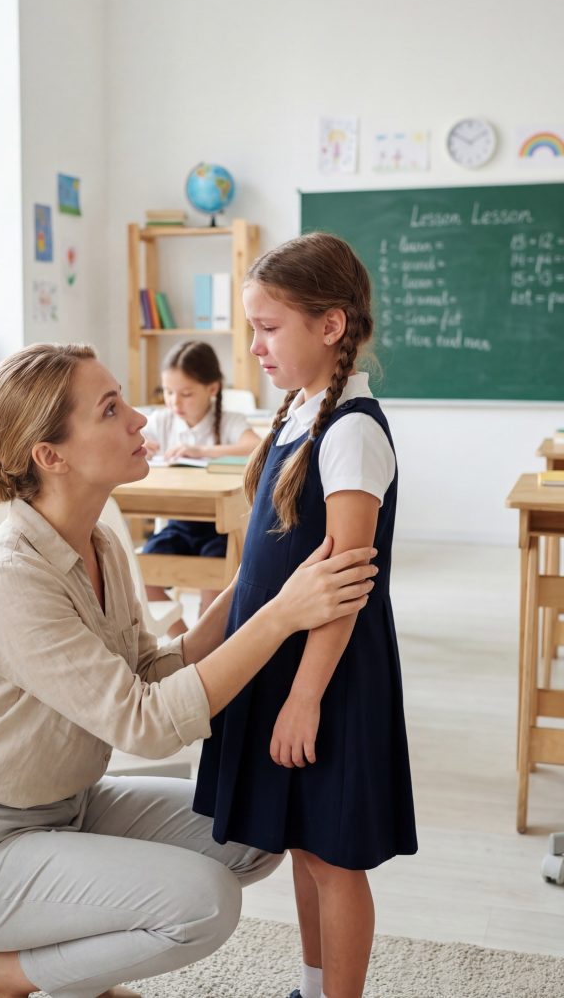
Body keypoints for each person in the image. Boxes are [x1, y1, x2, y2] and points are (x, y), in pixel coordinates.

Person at [0, 342, 379, 998]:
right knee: (204, 901)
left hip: (66, 808)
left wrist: (254, 580)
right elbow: (145, 724)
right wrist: (279, 616)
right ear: (51, 455)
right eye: (110, 409)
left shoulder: (97, 542)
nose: (139, 419)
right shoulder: (10, 579)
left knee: (255, 826)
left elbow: (149, 669)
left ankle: (77, 975)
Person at [193, 234, 418, 998]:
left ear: (330, 325)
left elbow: (347, 584)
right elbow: (266, 558)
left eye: (268, 327)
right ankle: (312, 984)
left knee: (333, 857)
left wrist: (304, 696)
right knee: (301, 843)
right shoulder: (297, 411)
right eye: (251, 327)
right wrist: (205, 637)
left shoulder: (351, 430)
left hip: (327, 676)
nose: (254, 345)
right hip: (280, 664)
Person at [142, 340, 260, 636]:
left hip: (219, 528)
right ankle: (184, 644)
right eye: (168, 392)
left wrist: (203, 451)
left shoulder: (229, 422)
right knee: (140, 576)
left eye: (186, 394)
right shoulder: (162, 421)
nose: (175, 402)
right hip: (178, 525)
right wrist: (139, 447)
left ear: (212, 388)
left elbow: (256, 447)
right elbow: (128, 442)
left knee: (212, 602)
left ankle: (203, 645)